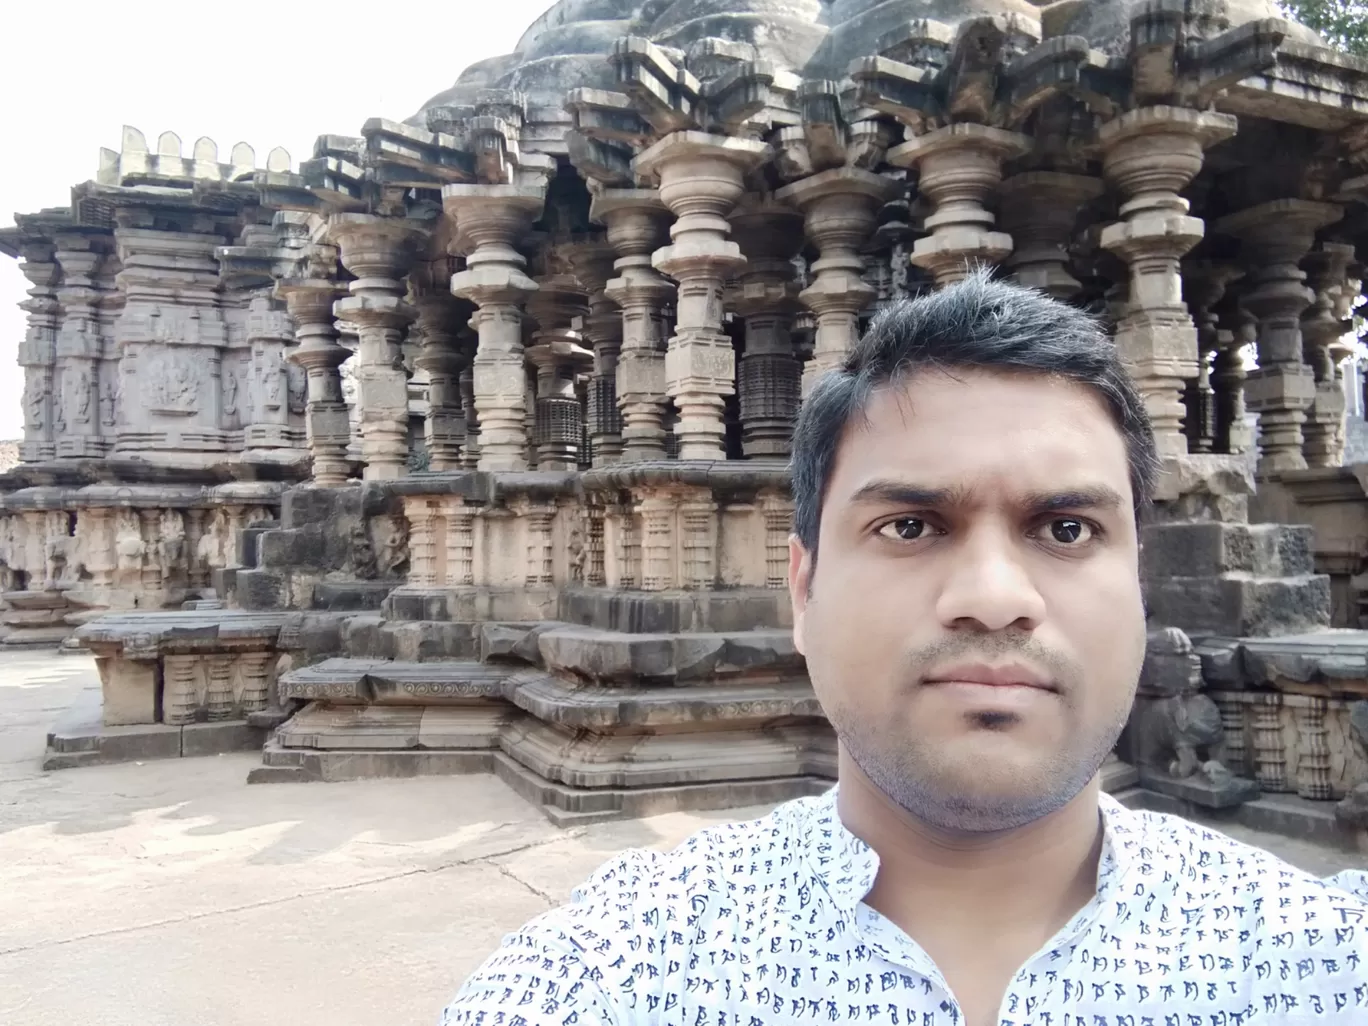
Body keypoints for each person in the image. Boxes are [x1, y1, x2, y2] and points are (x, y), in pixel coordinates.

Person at [443, 270, 1368, 1026]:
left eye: (1070, 529)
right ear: (801, 589)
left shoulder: (1319, 961)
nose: (994, 598)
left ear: (1140, 585)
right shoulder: (604, 975)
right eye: (913, 525)